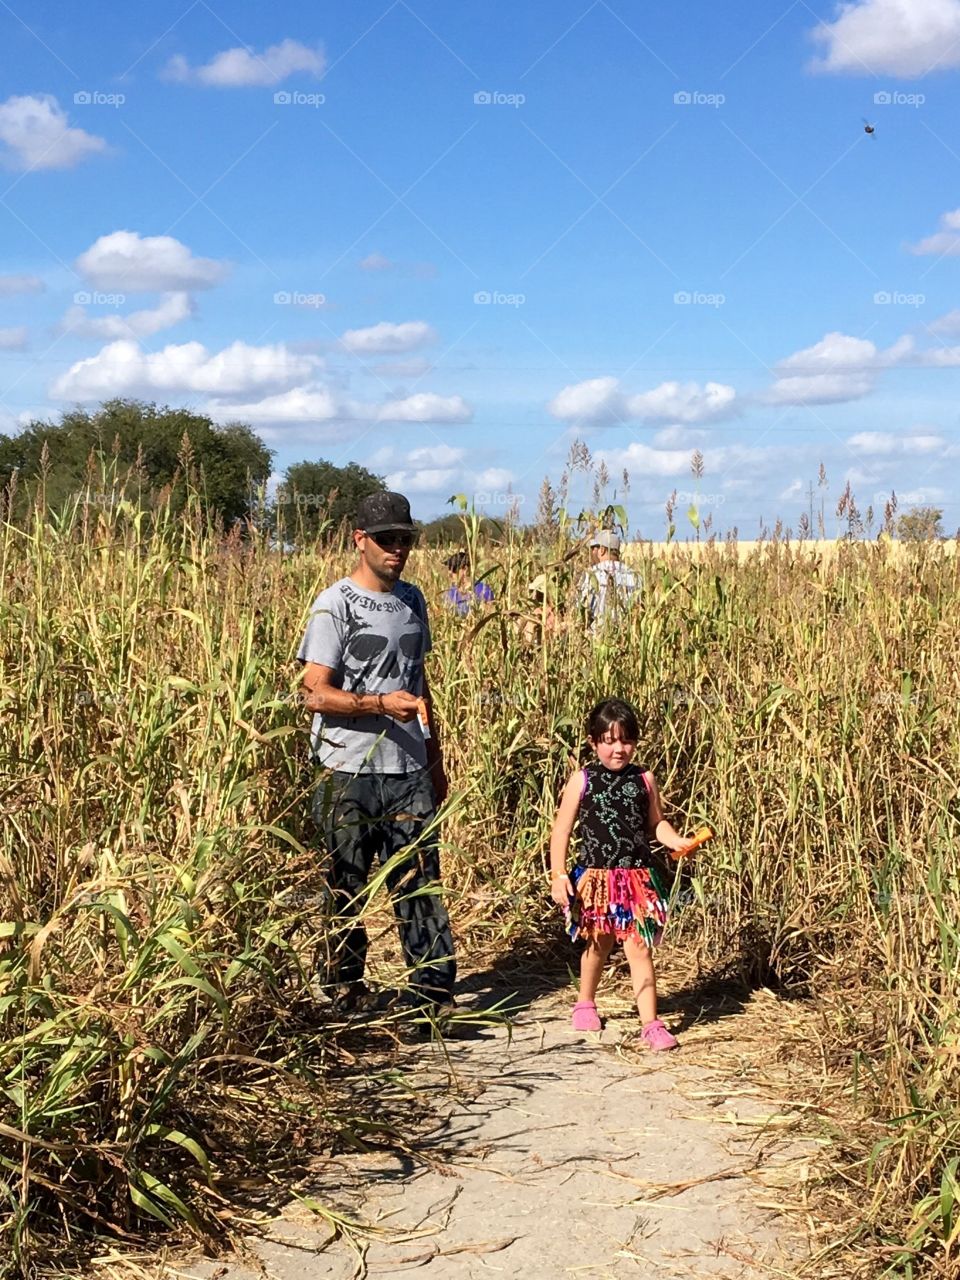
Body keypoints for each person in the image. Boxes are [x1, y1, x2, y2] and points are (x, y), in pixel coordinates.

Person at [297, 491, 456, 1015]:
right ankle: (343, 989)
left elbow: (420, 681)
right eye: (385, 539)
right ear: (359, 541)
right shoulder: (333, 604)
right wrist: (379, 705)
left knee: (418, 879)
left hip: (408, 767)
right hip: (347, 766)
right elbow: (313, 691)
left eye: (404, 539)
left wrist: (436, 759)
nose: (397, 549)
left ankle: (432, 994)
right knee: (347, 879)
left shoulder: (413, 599)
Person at [548, 697, 699, 1050]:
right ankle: (586, 1000)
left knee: (640, 947)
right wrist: (559, 875)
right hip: (597, 879)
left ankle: (651, 1023)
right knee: (598, 943)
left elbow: (656, 823)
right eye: (610, 740)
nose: (619, 749)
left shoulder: (644, 779)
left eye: (627, 740)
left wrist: (675, 839)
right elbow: (562, 831)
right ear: (593, 741)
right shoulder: (581, 780)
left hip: (636, 879)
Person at [578, 530, 639, 629]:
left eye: (593, 548)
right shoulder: (635, 576)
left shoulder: (590, 574)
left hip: (596, 636)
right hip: (625, 637)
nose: (591, 552)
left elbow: (580, 609)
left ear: (602, 550)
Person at [442, 550, 494, 616]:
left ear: (465, 569)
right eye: (449, 568)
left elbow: (490, 618)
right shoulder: (449, 594)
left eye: (454, 569)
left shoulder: (483, 590)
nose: (450, 574)